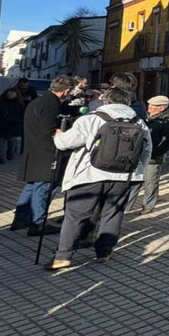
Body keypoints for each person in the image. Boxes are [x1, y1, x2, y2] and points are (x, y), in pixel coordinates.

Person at [44, 88, 151, 270]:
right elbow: (146, 150)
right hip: (123, 176)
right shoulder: (139, 122)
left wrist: (59, 136)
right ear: (127, 102)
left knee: (75, 216)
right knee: (113, 213)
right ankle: (104, 251)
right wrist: (136, 169)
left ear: (105, 101)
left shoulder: (91, 119)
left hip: (89, 175)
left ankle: (63, 256)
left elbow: (65, 143)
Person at [12, 76, 76, 234]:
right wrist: (61, 134)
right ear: (66, 91)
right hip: (46, 152)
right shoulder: (51, 104)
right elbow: (49, 129)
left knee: (32, 185)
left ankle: (20, 218)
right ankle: (37, 223)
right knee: (45, 186)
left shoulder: (38, 100)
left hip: (33, 148)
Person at [129, 95, 169, 215]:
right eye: (149, 104)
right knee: (135, 181)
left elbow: (168, 141)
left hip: (153, 157)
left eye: (153, 106)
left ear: (161, 108)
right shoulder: (147, 117)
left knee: (150, 182)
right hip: (141, 155)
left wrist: (156, 153)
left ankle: (148, 205)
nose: (149, 107)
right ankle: (127, 205)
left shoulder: (168, 121)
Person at [0, 87, 25, 164]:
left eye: (13, 92)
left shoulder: (19, 104)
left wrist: (18, 121)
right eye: (9, 92)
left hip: (12, 125)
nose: (10, 94)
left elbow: (22, 114)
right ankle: (0, 158)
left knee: (12, 142)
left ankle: (10, 154)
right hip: (0, 124)